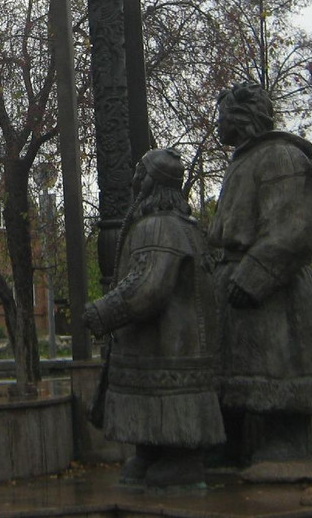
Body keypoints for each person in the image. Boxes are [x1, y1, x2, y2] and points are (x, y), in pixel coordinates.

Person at [208, 81, 312, 463]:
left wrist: (253, 276)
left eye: (222, 115)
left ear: (239, 116)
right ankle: (231, 446)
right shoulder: (245, 160)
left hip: (271, 293)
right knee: (239, 374)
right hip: (237, 283)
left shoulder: (280, 157)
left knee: (278, 372)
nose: (218, 124)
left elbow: (294, 229)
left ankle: (288, 441)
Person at [83, 148, 224, 488]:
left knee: (167, 396)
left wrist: (102, 312)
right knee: (152, 397)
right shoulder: (183, 225)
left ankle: (182, 459)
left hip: (170, 344)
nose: (133, 180)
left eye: (139, 173)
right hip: (167, 343)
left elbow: (147, 287)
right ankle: (152, 450)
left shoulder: (159, 227)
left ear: (151, 182)